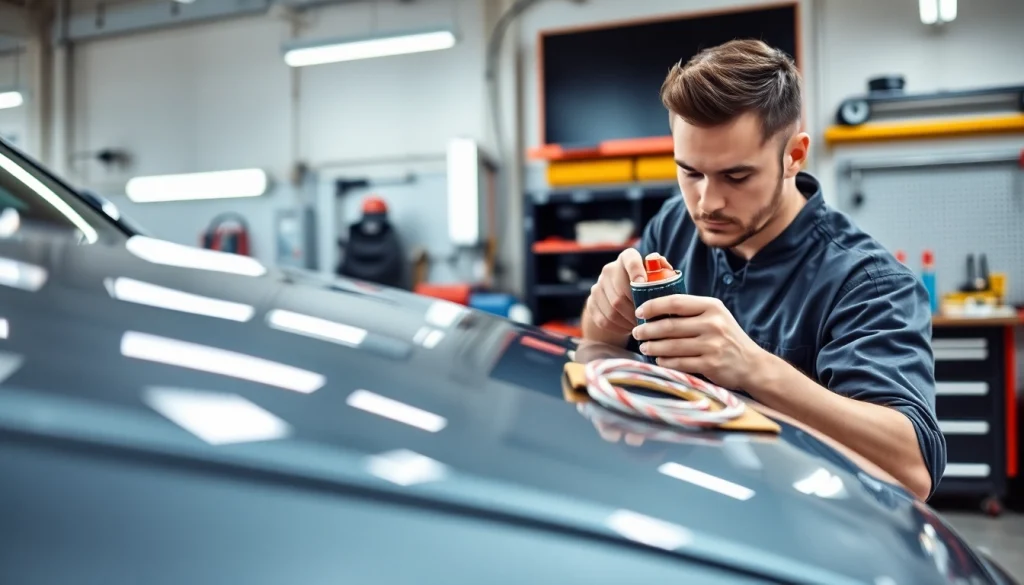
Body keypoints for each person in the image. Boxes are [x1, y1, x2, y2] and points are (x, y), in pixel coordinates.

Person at [580, 39, 945, 501]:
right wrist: (602, 324)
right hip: (682, 507)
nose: (707, 203)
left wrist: (754, 368)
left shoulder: (869, 284)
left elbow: (913, 469)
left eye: (736, 177)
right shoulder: (674, 224)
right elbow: (600, 352)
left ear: (794, 155)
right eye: (690, 172)